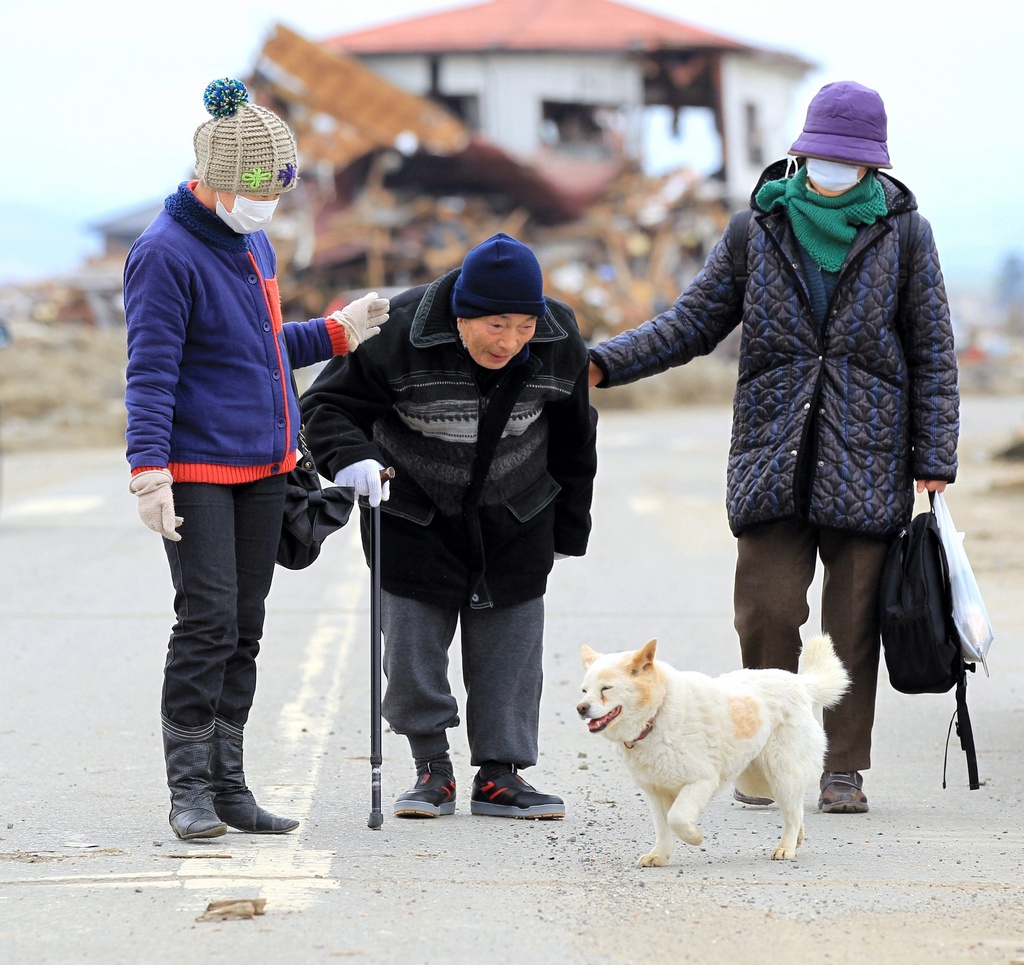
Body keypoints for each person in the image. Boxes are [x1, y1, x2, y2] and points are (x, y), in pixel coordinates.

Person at [587, 81, 959, 814]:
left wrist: (934, 458)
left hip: (869, 453)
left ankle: (842, 767)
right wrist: (606, 362)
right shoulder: (754, 230)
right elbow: (692, 322)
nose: (832, 166)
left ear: (873, 164)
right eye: (822, 153)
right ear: (801, 150)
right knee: (766, 607)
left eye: (847, 157)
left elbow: (934, 351)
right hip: (772, 450)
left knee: (851, 623)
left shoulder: (905, 234)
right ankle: (758, 752)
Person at [124, 77, 389, 840]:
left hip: (265, 467)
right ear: (209, 179)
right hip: (198, 468)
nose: (266, 202)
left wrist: (338, 331)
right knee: (205, 621)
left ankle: (229, 783)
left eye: (276, 188)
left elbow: (260, 349)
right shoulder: (163, 253)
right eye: (253, 189)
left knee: (245, 625)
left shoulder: (252, 240)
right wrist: (150, 470)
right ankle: (189, 791)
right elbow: (151, 369)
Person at [301, 232, 598, 820]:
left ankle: (500, 776)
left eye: (523, 327)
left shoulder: (558, 337)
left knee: (511, 651)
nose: (511, 342)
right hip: (414, 510)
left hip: (516, 512)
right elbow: (324, 406)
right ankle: (431, 768)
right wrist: (349, 457)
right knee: (412, 653)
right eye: (496, 326)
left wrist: (568, 530)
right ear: (463, 313)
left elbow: (574, 437)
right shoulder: (395, 332)